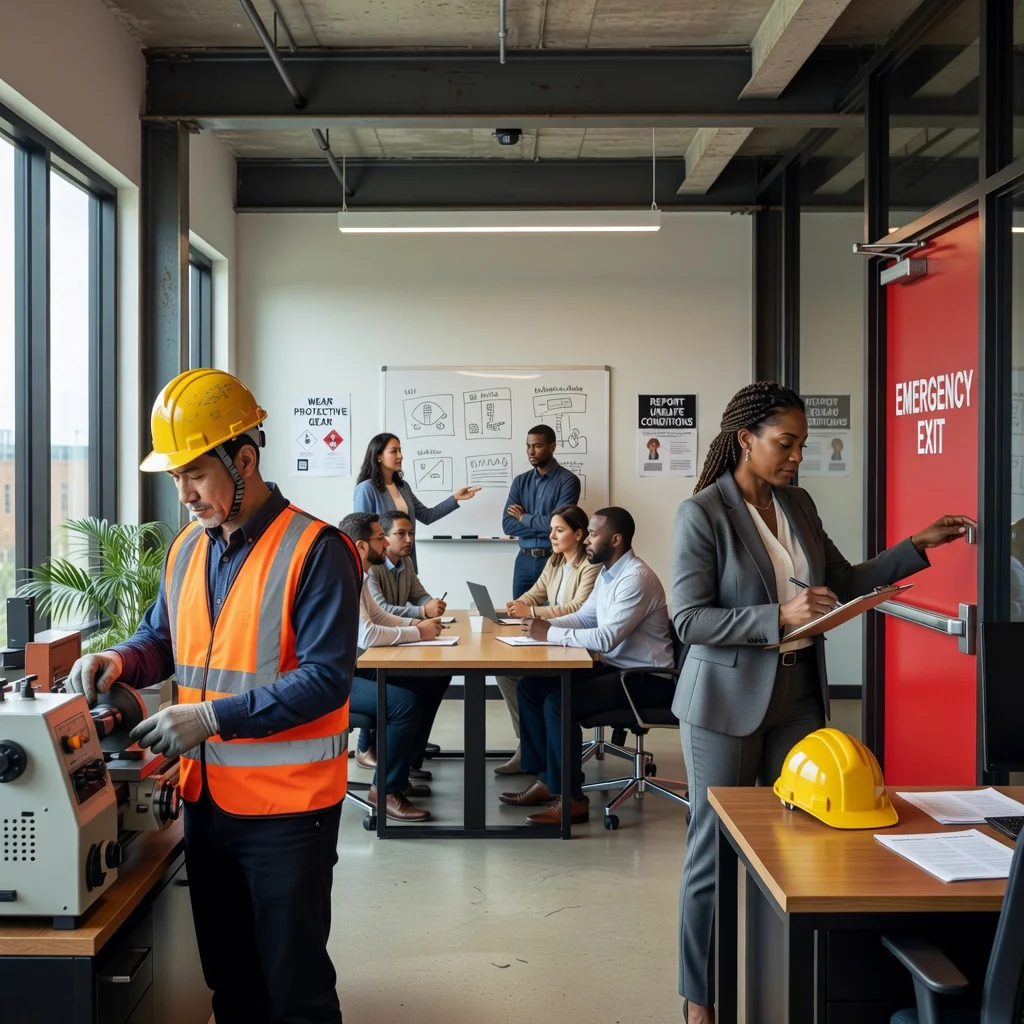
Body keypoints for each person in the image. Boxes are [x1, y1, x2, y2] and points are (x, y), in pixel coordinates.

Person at [64, 368, 361, 1024]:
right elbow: (160, 639)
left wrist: (209, 717)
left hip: (289, 812)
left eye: (194, 474)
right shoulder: (185, 552)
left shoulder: (319, 551)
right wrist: (119, 658)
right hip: (205, 804)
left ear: (245, 460)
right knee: (231, 986)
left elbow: (325, 678)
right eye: (175, 479)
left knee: (296, 991)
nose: (184, 494)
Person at [671, 381, 971, 1024]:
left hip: (798, 693)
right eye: (785, 443)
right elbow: (689, 620)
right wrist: (776, 616)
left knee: (805, 836)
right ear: (744, 439)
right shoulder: (702, 513)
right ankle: (700, 999)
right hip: (724, 698)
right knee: (712, 848)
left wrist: (914, 546)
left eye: (801, 445)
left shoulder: (797, 504)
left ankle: (792, 980)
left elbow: (842, 583)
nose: (795, 457)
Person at [499, 507, 674, 826]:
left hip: (645, 679)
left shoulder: (635, 578)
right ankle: (548, 781)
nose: (588, 541)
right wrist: (537, 622)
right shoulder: (608, 573)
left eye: (594, 534)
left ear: (616, 540)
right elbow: (586, 617)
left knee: (559, 702)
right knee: (531, 687)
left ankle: (571, 800)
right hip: (616, 669)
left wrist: (550, 632)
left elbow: (606, 638)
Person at [339, 512, 451, 822]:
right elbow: (368, 633)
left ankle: (402, 771)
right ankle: (384, 791)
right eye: (380, 538)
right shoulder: (343, 576)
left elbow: (379, 617)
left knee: (430, 679)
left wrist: (419, 623)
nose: (386, 542)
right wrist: (418, 632)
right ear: (362, 546)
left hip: (355, 667)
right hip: (332, 678)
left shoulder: (358, 573)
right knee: (404, 704)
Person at [493, 504, 600, 775]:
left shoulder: (590, 566)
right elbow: (536, 591)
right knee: (505, 673)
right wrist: (518, 603)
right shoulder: (555, 561)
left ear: (578, 534)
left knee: (528, 682)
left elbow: (578, 608)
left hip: (578, 643)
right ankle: (528, 744)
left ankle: (532, 750)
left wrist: (530, 611)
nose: (552, 536)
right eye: (551, 530)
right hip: (554, 635)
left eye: (559, 530)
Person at [353, 433, 479, 569]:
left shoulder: (403, 487)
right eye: (394, 451)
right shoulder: (366, 489)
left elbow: (427, 516)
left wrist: (454, 499)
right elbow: (362, 533)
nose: (400, 456)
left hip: (406, 561)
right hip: (380, 565)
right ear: (378, 456)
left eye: (400, 450)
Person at [502, 424, 582, 597]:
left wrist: (523, 517)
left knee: (550, 614)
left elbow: (562, 525)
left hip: (553, 558)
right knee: (518, 615)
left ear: (552, 447)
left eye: (537, 446)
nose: (531, 452)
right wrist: (546, 524)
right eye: (528, 446)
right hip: (523, 559)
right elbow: (508, 525)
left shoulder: (568, 481)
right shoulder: (520, 482)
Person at [366, 510, 447, 619]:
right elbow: (380, 610)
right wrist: (423, 611)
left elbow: (419, 596)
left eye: (411, 533)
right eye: (401, 533)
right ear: (384, 537)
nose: (409, 539)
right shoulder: (371, 566)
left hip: (399, 629)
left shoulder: (407, 561)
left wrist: (431, 605)